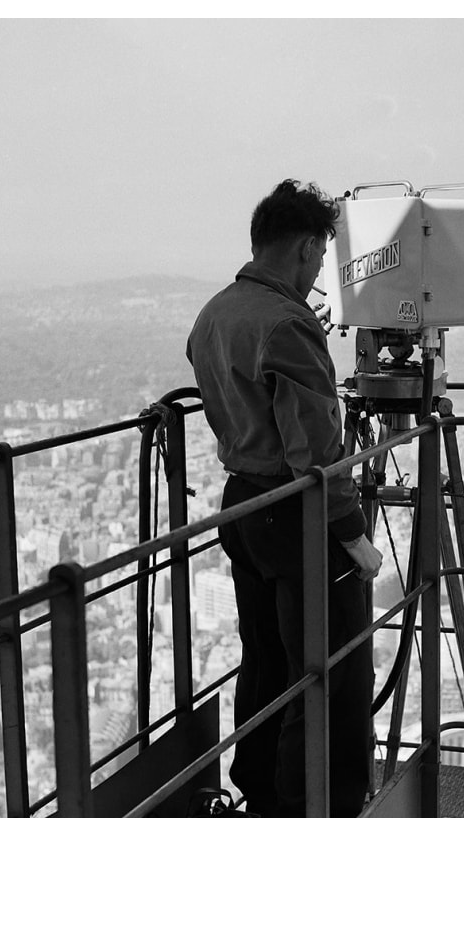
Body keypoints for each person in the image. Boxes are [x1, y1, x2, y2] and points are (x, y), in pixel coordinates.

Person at [186, 179, 383, 817]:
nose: (320, 269)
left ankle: (262, 792)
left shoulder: (215, 313)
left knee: (266, 660)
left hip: (242, 505)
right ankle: (315, 808)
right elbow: (317, 453)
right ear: (304, 248)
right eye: (321, 254)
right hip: (297, 515)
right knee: (329, 672)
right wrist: (352, 534)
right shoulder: (288, 324)